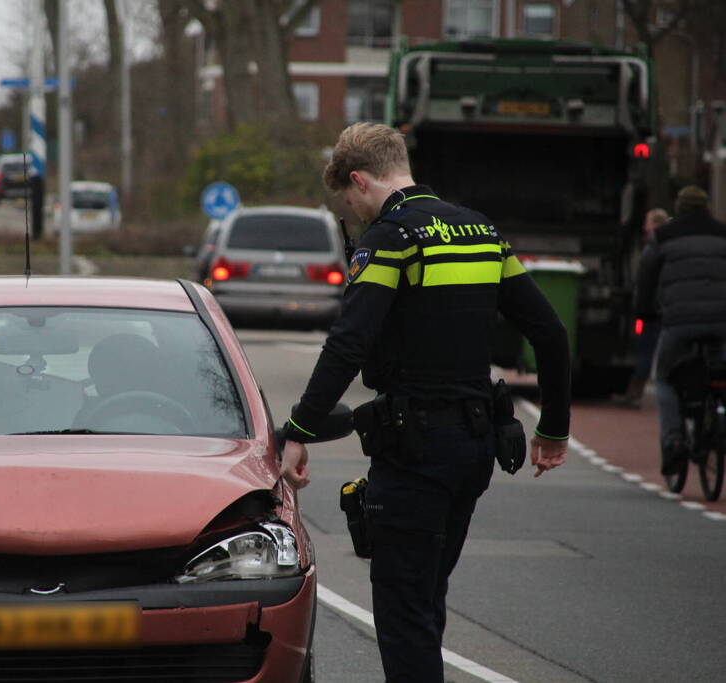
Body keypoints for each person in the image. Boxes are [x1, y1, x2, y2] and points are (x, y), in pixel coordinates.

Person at [278, 122, 572, 682]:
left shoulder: (391, 237)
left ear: (359, 181)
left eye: (349, 203)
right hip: (475, 448)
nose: (355, 215)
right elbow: (551, 334)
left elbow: (349, 343)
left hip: (415, 450)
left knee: (404, 614)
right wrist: (553, 429)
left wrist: (300, 429)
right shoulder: (481, 231)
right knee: (428, 599)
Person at [634, 186, 726, 476]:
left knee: (663, 378)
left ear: (679, 207)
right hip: (722, 323)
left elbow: (646, 276)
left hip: (679, 322)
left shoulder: (664, 236)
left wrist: (643, 311)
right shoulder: (723, 234)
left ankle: (674, 440)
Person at [613, 208, 670, 408]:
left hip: (653, 311)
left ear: (655, 224)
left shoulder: (654, 247)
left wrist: (640, 308)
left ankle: (635, 392)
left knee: (646, 351)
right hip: (667, 308)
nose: (645, 227)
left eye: (648, 222)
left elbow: (645, 282)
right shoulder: (670, 245)